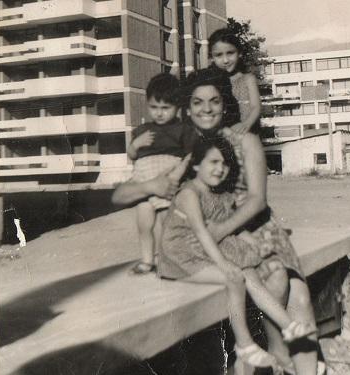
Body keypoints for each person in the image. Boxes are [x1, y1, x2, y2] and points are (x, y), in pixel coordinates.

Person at [112, 69, 322, 375]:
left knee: (294, 293)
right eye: (197, 102)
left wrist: (221, 230)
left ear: (225, 104)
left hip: (253, 227)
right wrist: (150, 187)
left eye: (214, 101)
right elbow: (129, 193)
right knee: (260, 283)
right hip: (207, 237)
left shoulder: (243, 140)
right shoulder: (183, 145)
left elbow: (257, 200)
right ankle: (258, 353)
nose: (206, 109)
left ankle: (281, 354)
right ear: (187, 107)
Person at [158, 137, 316, 371]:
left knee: (250, 272)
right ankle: (244, 344)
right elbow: (202, 234)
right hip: (181, 257)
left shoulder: (216, 194)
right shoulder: (189, 194)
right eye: (213, 162)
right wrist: (224, 265)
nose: (219, 169)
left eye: (224, 164)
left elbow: (230, 227)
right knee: (235, 277)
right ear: (196, 165)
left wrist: (255, 244)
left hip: (203, 248)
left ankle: (288, 325)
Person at [126, 73, 195, 275]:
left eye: (166, 108)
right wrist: (135, 145)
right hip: (145, 183)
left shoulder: (183, 129)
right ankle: (147, 260)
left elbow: (189, 155)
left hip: (168, 182)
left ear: (178, 107)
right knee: (144, 224)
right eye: (154, 107)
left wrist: (177, 174)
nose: (159, 113)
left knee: (169, 225)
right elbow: (132, 155)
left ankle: (174, 260)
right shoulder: (142, 130)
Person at [208, 28, 261, 135]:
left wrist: (246, 124)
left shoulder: (248, 79)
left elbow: (256, 107)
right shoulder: (211, 82)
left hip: (247, 133)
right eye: (219, 55)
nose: (225, 60)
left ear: (239, 53)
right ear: (212, 57)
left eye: (230, 53)